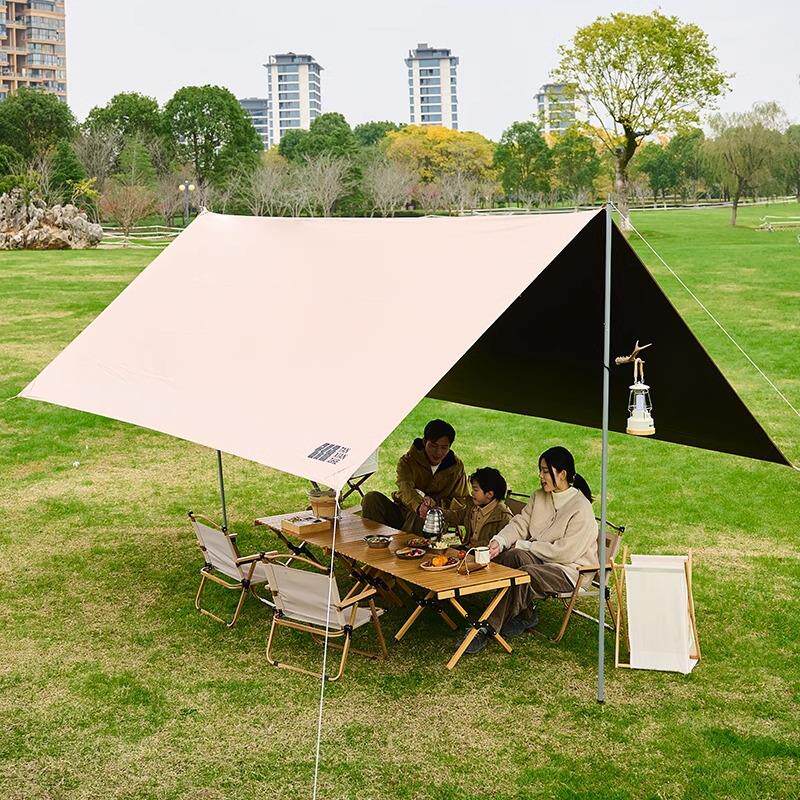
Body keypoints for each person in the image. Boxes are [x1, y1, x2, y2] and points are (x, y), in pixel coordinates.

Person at [463, 446, 599, 655]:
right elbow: (521, 523)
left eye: (545, 471)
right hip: (541, 560)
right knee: (511, 556)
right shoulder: (539, 496)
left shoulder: (581, 507)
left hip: (570, 571)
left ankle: (486, 627)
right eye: (540, 470)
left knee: (526, 574)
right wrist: (500, 541)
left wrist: (527, 545)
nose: (541, 476)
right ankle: (522, 614)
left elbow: (565, 553)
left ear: (562, 474)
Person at [362, 419, 469, 533]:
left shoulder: (456, 467)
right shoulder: (408, 461)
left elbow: (461, 501)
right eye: (433, 446)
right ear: (424, 442)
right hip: (404, 512)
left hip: (435, 520)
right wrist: (418, 505)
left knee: (422, 515)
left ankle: (407, 543)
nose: (438, 452)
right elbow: (405, 488)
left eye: (444, 448)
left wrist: (434, 505)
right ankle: (375, 540)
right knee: (371, 498)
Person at [444, 467, 512, 548]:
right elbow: (457, 516)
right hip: (466, 549)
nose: (472, 493)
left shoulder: (503, 517)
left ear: (489, 494)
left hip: (485, 553)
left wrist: (478, 545)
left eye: (475, 490)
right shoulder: (472, 506)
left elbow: (503, 544)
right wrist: (438, 512)